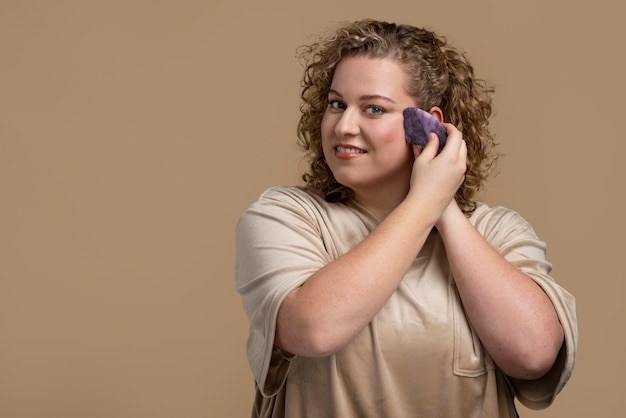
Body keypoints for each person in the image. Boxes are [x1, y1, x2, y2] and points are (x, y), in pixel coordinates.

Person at [235, 19, 577, 417]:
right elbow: (314, 328)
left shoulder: (496, 232)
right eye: (336, 104)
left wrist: (443, 208)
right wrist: (424, 201)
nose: (344, 126)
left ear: (427, 125)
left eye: (373, 108)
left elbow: (534, 354)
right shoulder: (286, 216)